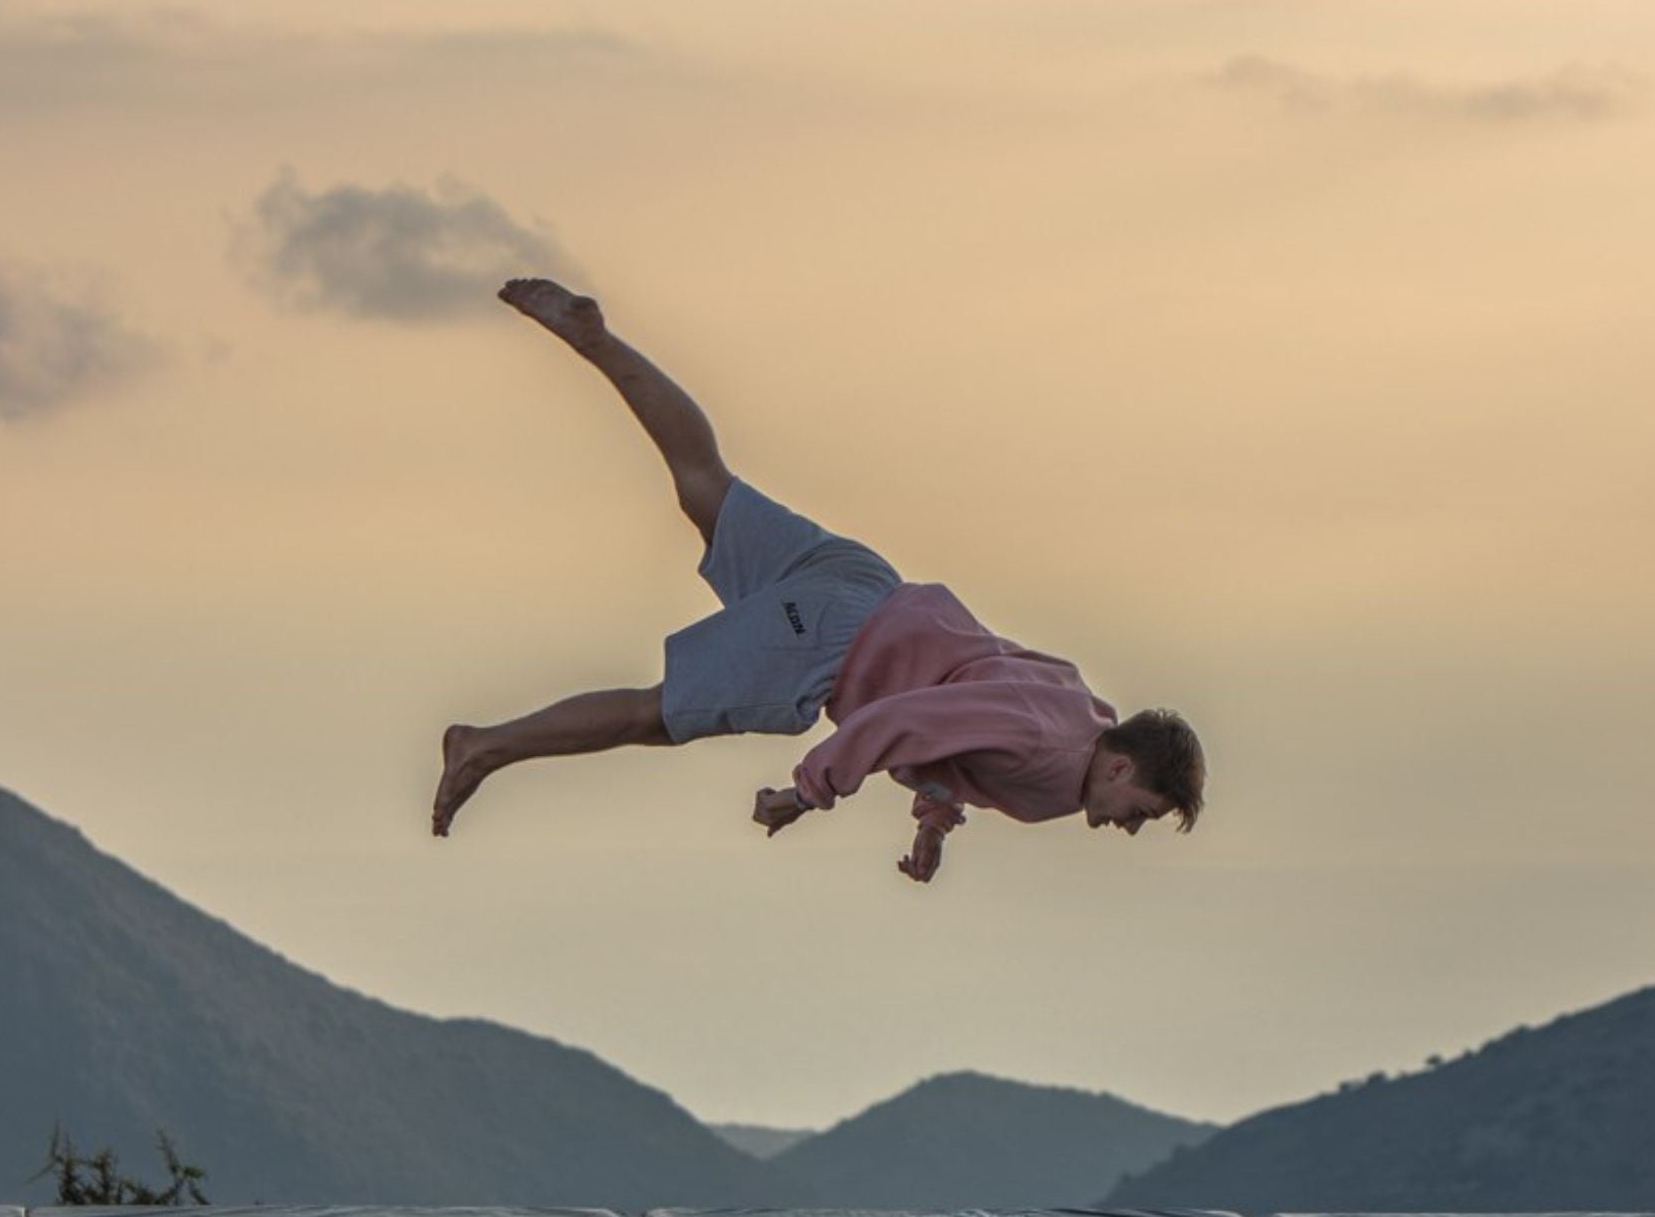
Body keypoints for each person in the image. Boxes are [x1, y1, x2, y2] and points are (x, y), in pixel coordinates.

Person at [431, 279, 1205, 883]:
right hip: (836, 641)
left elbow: (955, 729)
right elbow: (897, 721)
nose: (1125, 827)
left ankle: (595, 342)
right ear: (1119, 766)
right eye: (1138, 811)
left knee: (706, 486)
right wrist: (807, 793)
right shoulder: (1048, 750)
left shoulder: (1080, 707)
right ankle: (485, 746)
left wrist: (933, 821)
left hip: (869, 585)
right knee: (655, 717)